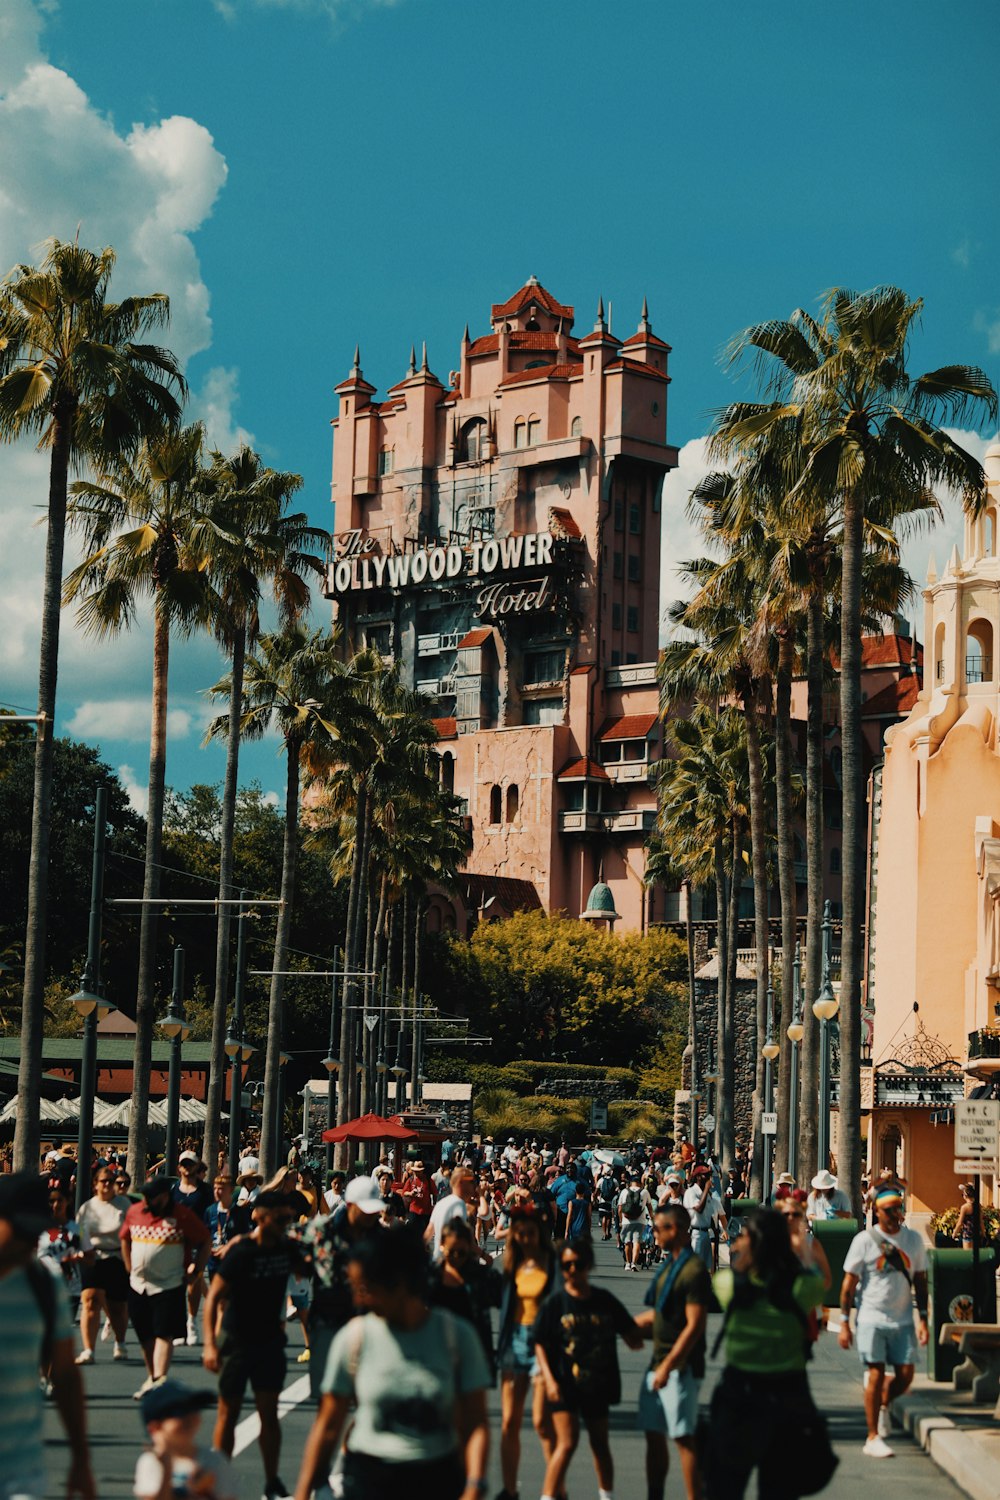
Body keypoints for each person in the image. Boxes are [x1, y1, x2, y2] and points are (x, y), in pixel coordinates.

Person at [294, 1223, 490, 1500]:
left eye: (364, 1289)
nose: (356, 1299)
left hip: (438, 1479)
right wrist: (303, 1491)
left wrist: (475, 1485)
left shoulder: (456, 1337)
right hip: (368, 1481)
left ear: (400, 1282)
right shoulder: (354, 1339)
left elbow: (476, 1423)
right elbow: (327, 1426)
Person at [705, 1207, 831, 1499]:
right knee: (779, 1490)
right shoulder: (802, 1287)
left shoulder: (727, 1285)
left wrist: (743, 1253)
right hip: (788, 1396)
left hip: (738, 1395)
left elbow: (732, 1275)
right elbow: (820, 1279)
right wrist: (800, 1247)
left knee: (725, 1487)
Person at [0, 1171, 95, 1500]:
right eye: (21, 1232)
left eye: (34, 1234)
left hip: (22, 1471)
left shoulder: (43, 1284)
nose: (29, 1244)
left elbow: (66, 1374)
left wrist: (81, 1458)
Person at [203, 1190, 302, 1500]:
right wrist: (210, 1344)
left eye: (289, 1218)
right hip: (237, 1339)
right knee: (227, 1414)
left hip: (270, 1340)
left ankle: (272, 1482)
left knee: (269, 1414)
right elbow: (214, 1298)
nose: (286, 1223)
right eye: (281, 1218)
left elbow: (311, 1268)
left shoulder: (287, 1247)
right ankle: (221, 1480)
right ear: (260, 1217)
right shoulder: (242, 1252)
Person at [534, 1237, 644, 1500]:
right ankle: (548, 1496)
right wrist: (549, 1381)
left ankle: (607, 1496)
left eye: (578, 1264)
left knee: (600, 1443)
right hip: (564, 1383)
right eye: (567, 1265)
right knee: (567, 1443)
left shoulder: (604, 1300)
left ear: (589, 1266)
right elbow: (540, 1343)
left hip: (598, 1383)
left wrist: (655, 1327)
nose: (572, 1270)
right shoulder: (555, 1303)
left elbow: (632, 1335)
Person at [839, 1184, 929, 1458]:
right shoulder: (864, 1241)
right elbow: (848, 1285)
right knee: (876, 1374)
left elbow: (921, 1283)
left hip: (902, 1320)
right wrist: (844, 1321)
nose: (895, 1214)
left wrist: (923, 1318)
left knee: (905, 1376)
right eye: (889, 1210)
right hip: (870, 1317)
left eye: (898, 1209)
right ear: (877, 1212)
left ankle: (883, 1404)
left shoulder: (913, 1240)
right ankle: (872, 1436)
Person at [635, 1205, 711, 1500]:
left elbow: (695, 1326)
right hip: (659, 1361)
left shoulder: (693, 1270)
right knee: (654, 1436)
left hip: (681, 1367)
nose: (652, 1233)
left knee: (682, 1438)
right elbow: (660, 1315)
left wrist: (668, 1366)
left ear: (676, 1230)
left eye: (657, 1228)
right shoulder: (669, 1265)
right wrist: (624, 1326)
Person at [291, 1172, 383, 1401]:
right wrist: (302, 1265)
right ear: (350, 1205)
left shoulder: (382, 1238)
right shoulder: (322, 1230)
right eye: (366, 1210)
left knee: (365, 1401)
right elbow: (285, 1240)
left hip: (367, 1327)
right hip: (327, 1322)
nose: (372, 1215)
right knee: (327, 1400)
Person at [121, 1175, 211, 1399]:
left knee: (164, 1333)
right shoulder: (135, 1212)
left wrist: (197, 1270)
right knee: (145, 1335)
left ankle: (159, 1379)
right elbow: (124, 1238)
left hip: (169, 1284)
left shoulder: (182, 1215)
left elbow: (205, 1240)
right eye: (145, 1196)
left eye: (152, 1197)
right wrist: (129, 1267)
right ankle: (153, 1378)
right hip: (138, 1284)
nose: (147, 1200)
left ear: (164, 1196)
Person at [494, 1205, 557, 1500]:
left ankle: (555, 1488)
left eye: (530, 1233)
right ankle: (510, 1489)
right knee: (509, 1421)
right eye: (520, 1234)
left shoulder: (551, 1262)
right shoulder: (511, 1263)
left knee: (542, 1421)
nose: (526, 1239)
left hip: (542, 1342)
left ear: (539, 1233)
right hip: (515, 1339)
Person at [134, 1377, 236, 1500]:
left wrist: (204, 1490)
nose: (190, 1416)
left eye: (194, 1409)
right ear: (155, 1427)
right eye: (180, 1412)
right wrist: (167, 1470)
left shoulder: (214, 1460)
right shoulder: (152, 1462)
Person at [77, 1164, 132, 1361]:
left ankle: (120, 1342)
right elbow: (80, 1232)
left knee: (116, 1306)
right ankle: (88, 1350)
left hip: (117, 1258)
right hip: (92, 1257)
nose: (108, 1184)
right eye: (104, 1181)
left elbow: (131, 1233)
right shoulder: (87, 1207)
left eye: (111, 1181)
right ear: (95, 1184)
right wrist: (84, 1251)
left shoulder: (124, 1205)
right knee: (90, 1301)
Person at [38, 1179, 93, 1331]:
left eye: (59, 1200)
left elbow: (90, 1258)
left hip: (71, 1288)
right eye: (51, 1201)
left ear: (68, 1201)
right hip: (45, 1288)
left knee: (63, 1331)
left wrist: (75, 1258)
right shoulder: (39, 1229)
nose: (55, 1205)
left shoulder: (78, 1229)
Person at [426, 1165, 476, 1258]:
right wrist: (482, 1254)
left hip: (438, 1260)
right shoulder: (458, 1204)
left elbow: (428, 1233)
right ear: (460, 1182)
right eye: (471, 1181)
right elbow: (460, 1233)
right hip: (453, 1261)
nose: (473, 1184)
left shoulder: (440, 1204)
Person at [683, 1164, 726, 1270]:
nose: (708, 1178)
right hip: (695, 1233)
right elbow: (699, 1209)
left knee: (706, 1267)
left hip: (706, 1232)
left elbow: (713, 1215)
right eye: (705, 1175)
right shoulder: (691, 1192)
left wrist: (718, 1231)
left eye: (709, 1175)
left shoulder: (706, 1194)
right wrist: (707, 1189)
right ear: (698, 1177)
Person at [618, 1174, 652, 1271]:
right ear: (640, 1183)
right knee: (637, 1242)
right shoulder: (644, 1192)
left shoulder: (624, 1191)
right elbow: (649, 1206)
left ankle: (628, 1264)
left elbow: (620, 1208)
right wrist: (652, 1218)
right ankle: (634, 1263)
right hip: (640, 1221)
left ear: (631, 1183)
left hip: (626, 1220)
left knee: (627, 1242)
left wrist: (620, 1220)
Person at [565, 1178, 592, 1242]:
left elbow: (569, 1216)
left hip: (574, 1227)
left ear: (576, 1191)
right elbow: (589, 1217)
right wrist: (589, 1229)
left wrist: (566, 1231)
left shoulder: (571, 1202)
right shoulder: (587, 1203)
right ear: (584, 1192)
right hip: (584, 1228)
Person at [595, 1166, 617, 1240]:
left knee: (604, 1217)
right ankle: (608, 1232)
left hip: (602, 1200)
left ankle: (604, 1233)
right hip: (611, 1201)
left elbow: (597, 1190)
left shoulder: (601, 1180)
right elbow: (617, 1189)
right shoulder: (614, 1180)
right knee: (609, 1217)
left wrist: (595, 1198)